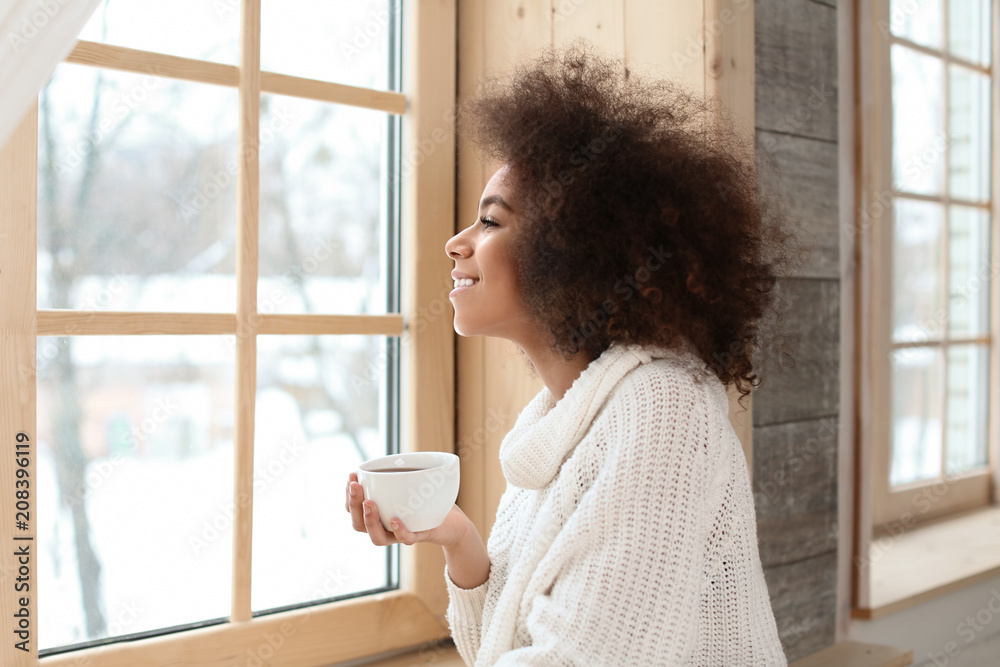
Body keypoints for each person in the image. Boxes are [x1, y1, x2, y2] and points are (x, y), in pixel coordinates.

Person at [345, 43, 796, 665]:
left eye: (491, 222)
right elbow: (502, 647)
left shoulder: (661, 410)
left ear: (573, 251)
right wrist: (457, 539)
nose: (456, 243)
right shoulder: (562, 418)